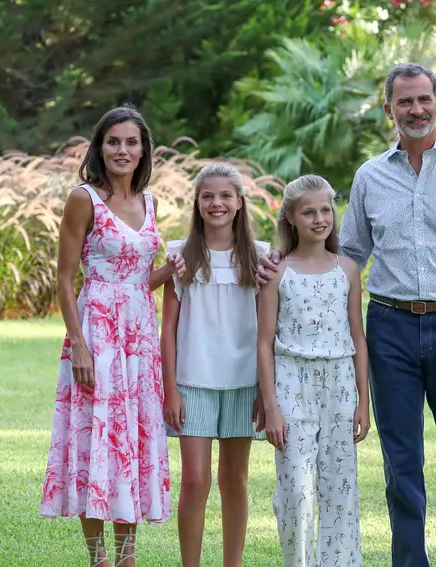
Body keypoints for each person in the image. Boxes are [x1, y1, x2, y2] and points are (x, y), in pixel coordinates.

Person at [258, 63, 436, 567]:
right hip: (390, 328)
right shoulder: (370, 176)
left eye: (424, 99)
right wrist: (279, 256)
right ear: (389, 110)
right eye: (405, 102)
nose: (415, 110)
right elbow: (345, 253)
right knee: (402, 464)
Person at [40, 105, 186, 567]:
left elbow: (139, 281)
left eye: (131, 142)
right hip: (97, 334)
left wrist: (175, 269)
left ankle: (127, 557)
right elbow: (65, 279)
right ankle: (98, 557)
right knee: (95, 439)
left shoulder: (151, 202)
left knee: (132, 441)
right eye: (113, 142)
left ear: (144, 150)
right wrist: (78, 343)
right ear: (99, 147)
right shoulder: (83, 198)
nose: (122, 150)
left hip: (139, 337)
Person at [257, 174, 371, 567]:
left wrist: (363, 402)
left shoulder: (348, 270)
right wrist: (270, 406)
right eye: (308, 212)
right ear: (290, 217)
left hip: (339, 383)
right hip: (291, 381)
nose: (320, 218)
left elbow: (358, 336)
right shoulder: (276, 272)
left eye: (326, 209)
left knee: (340, 490)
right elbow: (263, 342)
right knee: (296, 490)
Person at [159, 163, 269, 567]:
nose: (216, 203)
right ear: (197, 203)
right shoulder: (179, 256)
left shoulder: (260, 258)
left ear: (240, 203)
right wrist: (169, 388)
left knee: (234, 480)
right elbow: (167, 329)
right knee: (195, 481)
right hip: (192, 381)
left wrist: (266, 391)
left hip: (244, 382)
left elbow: (266, 331)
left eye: (226, 196)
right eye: (208, 196)